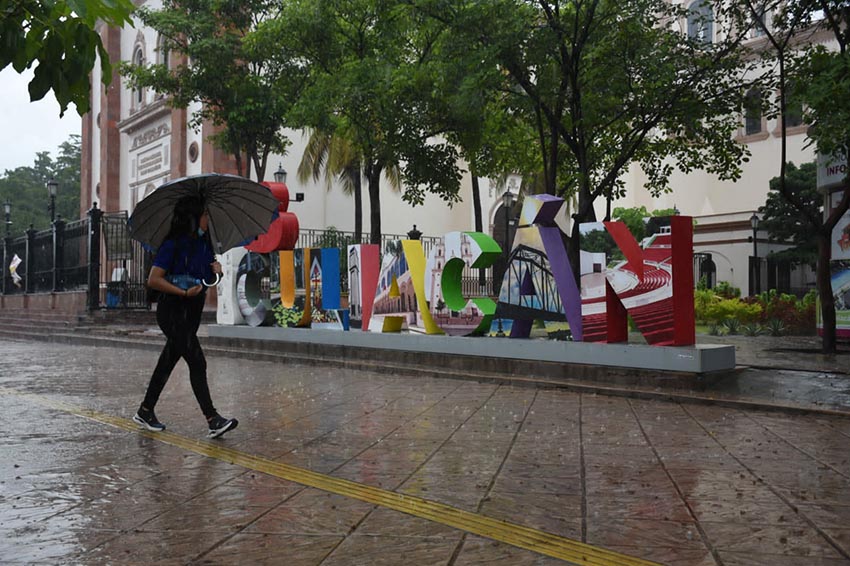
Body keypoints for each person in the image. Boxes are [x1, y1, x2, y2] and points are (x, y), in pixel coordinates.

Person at [132, 196, 238, 439]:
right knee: (197, 361)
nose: (208, 219)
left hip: (192, 311)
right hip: (172, 310)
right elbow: (153, 280)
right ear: (193, 217)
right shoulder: (172, 244)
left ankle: (145, 410)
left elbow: (206, 280)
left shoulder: (204, 244)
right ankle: (212, 419)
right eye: (204, 215)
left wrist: (217, 272)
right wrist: (182, 292)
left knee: (168, 361)